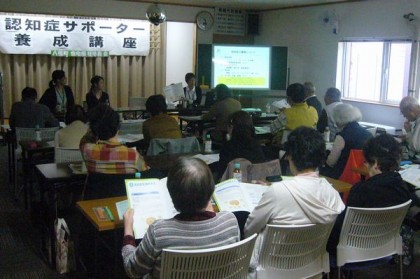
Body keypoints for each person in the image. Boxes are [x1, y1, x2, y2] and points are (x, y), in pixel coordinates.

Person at [244, 127, 345, 274]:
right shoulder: (332, 193)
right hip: (311, 265)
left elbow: (249, 229)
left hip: (270, 268)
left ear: (290, 157)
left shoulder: (277, 192)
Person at [122, 157, 240, 279]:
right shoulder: (230, 221)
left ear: (171, 194)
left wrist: (128, 232)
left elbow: (133, 271)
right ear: (210, 191)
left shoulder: (159, 232)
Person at [327, 134, 412, 264]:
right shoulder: (403, 188)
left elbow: (343, 228)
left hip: (352, 251)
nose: (365, 165)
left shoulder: (360, 190)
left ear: (376, 164)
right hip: (386, 247)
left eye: (366, 161)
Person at [80, 104, 147, 174]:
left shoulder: (87, 150)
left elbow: (85, 139)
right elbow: (147, 175)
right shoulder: (133, 155)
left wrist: (95, 129)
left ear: (93, 129)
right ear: (118, 127)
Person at [320, 103, 372, 179]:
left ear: (339, 119)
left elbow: (331, 162)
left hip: (343, 174)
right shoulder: (368, 134)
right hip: (362, 175)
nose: (335, 124)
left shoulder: (342, 136)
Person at [214, 111, 266, 179]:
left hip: (231, 186)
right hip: (254, 185)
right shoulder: (256, 146)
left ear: (232, 127)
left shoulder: (227, 147)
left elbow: (221, 174)